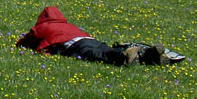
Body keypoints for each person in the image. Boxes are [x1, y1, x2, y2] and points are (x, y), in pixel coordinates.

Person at [15, 6, 177, 66]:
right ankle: (147, 57)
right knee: (103, 48)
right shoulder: (67, 25)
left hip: (75, 45)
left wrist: (20, 44)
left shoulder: (44, 27)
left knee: (99, 55)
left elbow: (28, 39)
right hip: (89, 39)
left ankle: (124, 55)